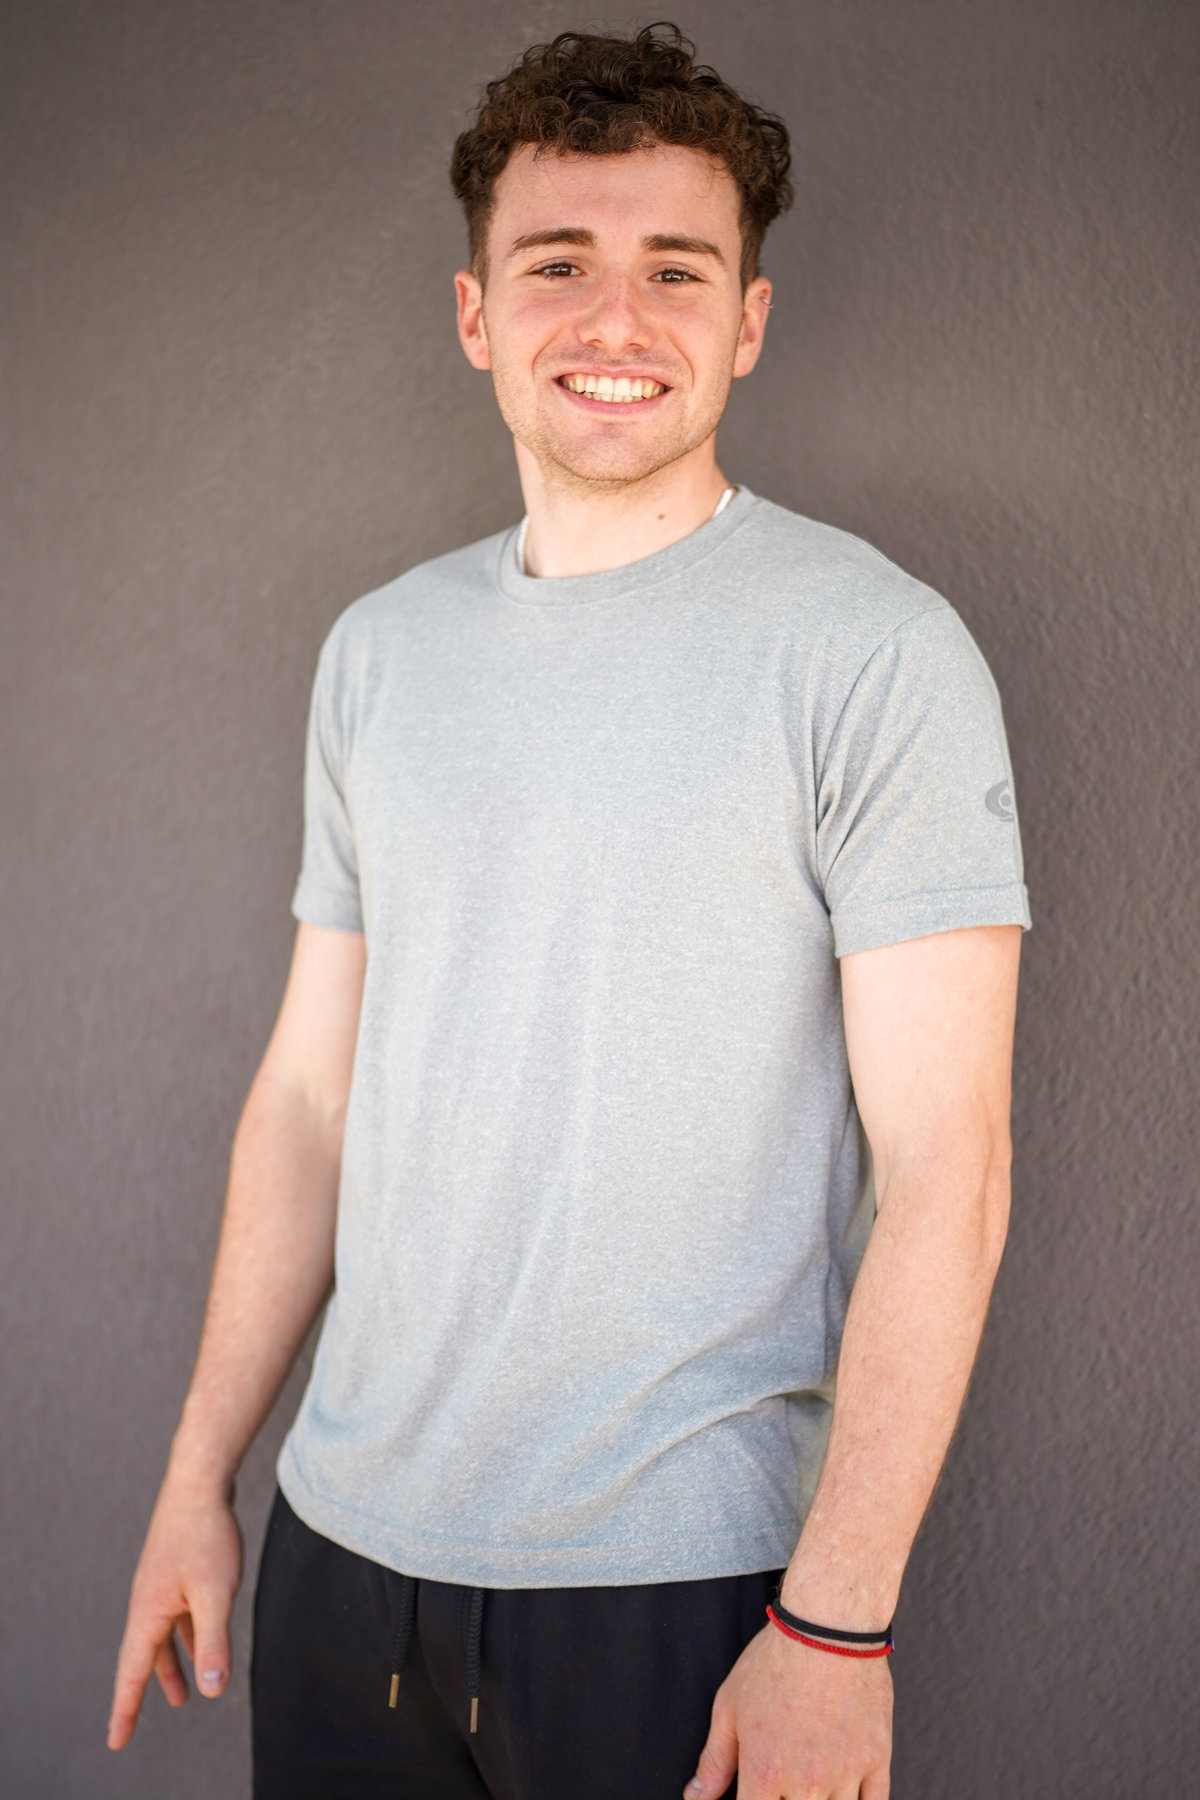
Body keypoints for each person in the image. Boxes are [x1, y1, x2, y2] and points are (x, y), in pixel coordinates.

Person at [108, 22, 1030, 1799]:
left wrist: (838, 1628)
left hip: (683, 1601)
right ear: (475, 314)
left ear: (749, 322)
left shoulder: (876, 653)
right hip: (337, 1564)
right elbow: (307, 1100)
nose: (618, 318)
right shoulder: (377, 653)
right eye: (558, 265)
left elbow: (951, 1166)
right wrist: (195, 1476)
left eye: (677, 269)